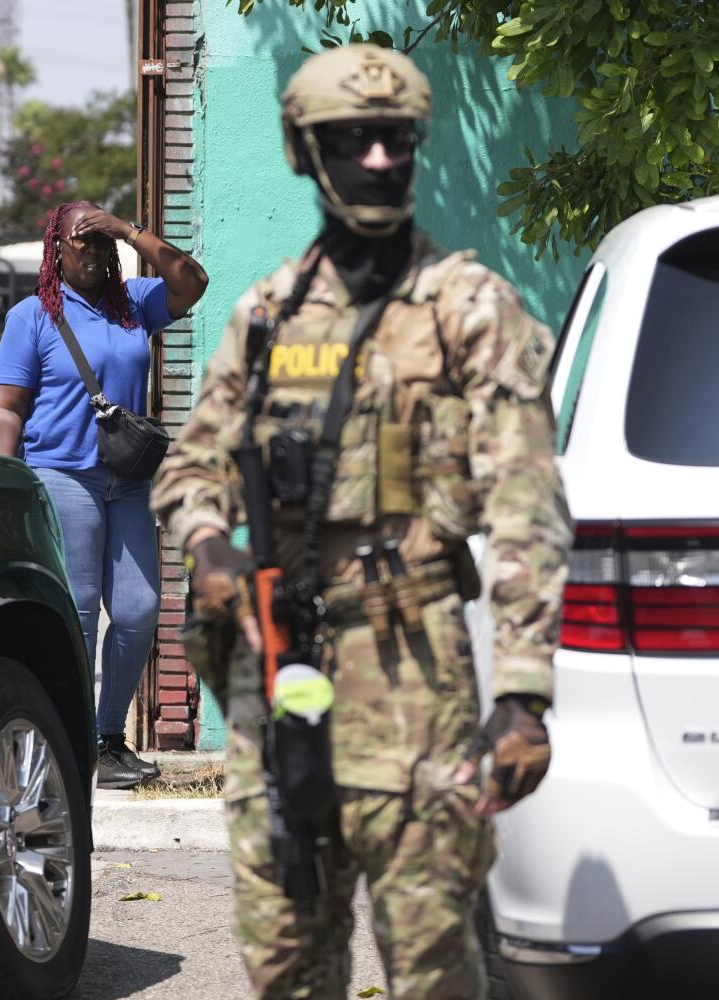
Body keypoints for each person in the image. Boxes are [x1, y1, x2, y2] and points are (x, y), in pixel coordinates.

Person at [151, 45, 571, 998]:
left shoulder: (470, 308)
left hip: (415, 683)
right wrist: (209, 541)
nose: (379, 160)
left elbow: (525, 506)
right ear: (308, 154)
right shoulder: (267, 316)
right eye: (352, 140)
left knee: (434, 967)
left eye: (396, 140)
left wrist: (525, 690)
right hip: (280, 674)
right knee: (287, 964)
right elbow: (190, 463)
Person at [0, 201, 209, 788]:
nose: (90, 254)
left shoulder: (134, 303)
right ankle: (70, 739)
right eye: (79, 243)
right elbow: (8, 408)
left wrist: (124, 229)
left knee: (138, 610)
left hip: (128, 479)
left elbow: (193, 281)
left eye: (99, 244)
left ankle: (109, 741)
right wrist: (6, 485)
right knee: (80, 611)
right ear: (55, 250)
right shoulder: (32, 316)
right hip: (62, 474)